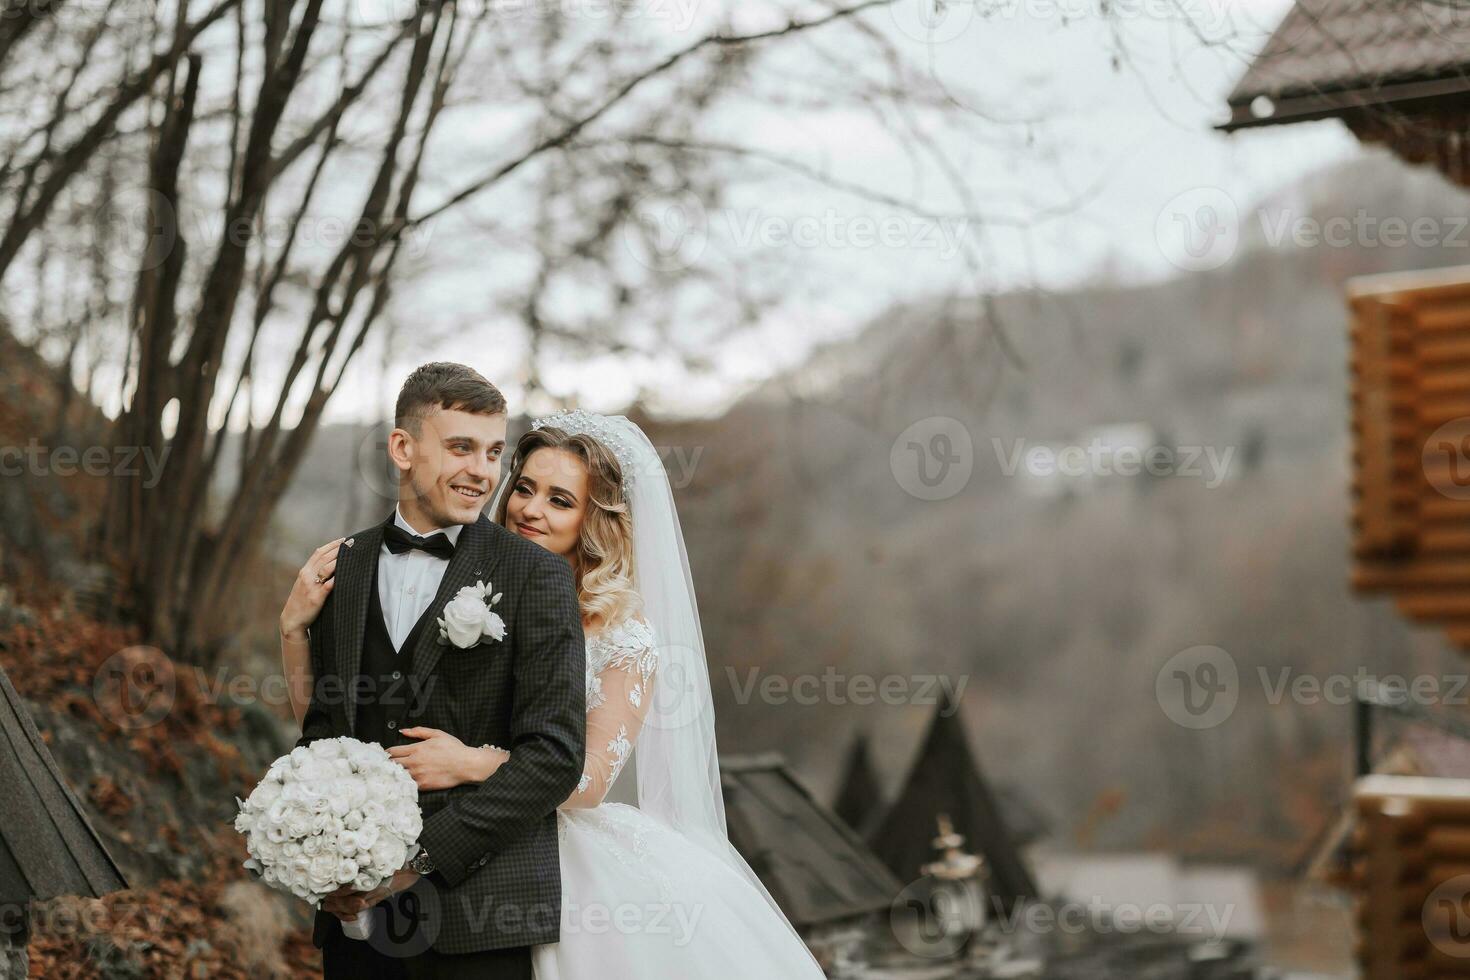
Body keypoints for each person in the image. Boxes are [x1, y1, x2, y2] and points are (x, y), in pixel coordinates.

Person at [283, 409, 826, 978]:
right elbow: (340, 722)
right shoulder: (464, 586)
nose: (530, 510)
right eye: (524, 488)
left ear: (596, 521)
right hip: (416, 848)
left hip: (552, 862)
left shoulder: (622, 635)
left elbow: (587, 781)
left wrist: (474, 762)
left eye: (560, 501)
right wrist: (294, 632)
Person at [280, 363, 586, 980]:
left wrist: (414, 862)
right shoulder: (344, 565)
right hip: (357, 927)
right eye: (461, 447)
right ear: (402, 447)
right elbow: (324, 736)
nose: (482, 471)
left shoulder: (536, 576)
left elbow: (553, 758)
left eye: (494, 452)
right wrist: (331, 870)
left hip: (478, 925)